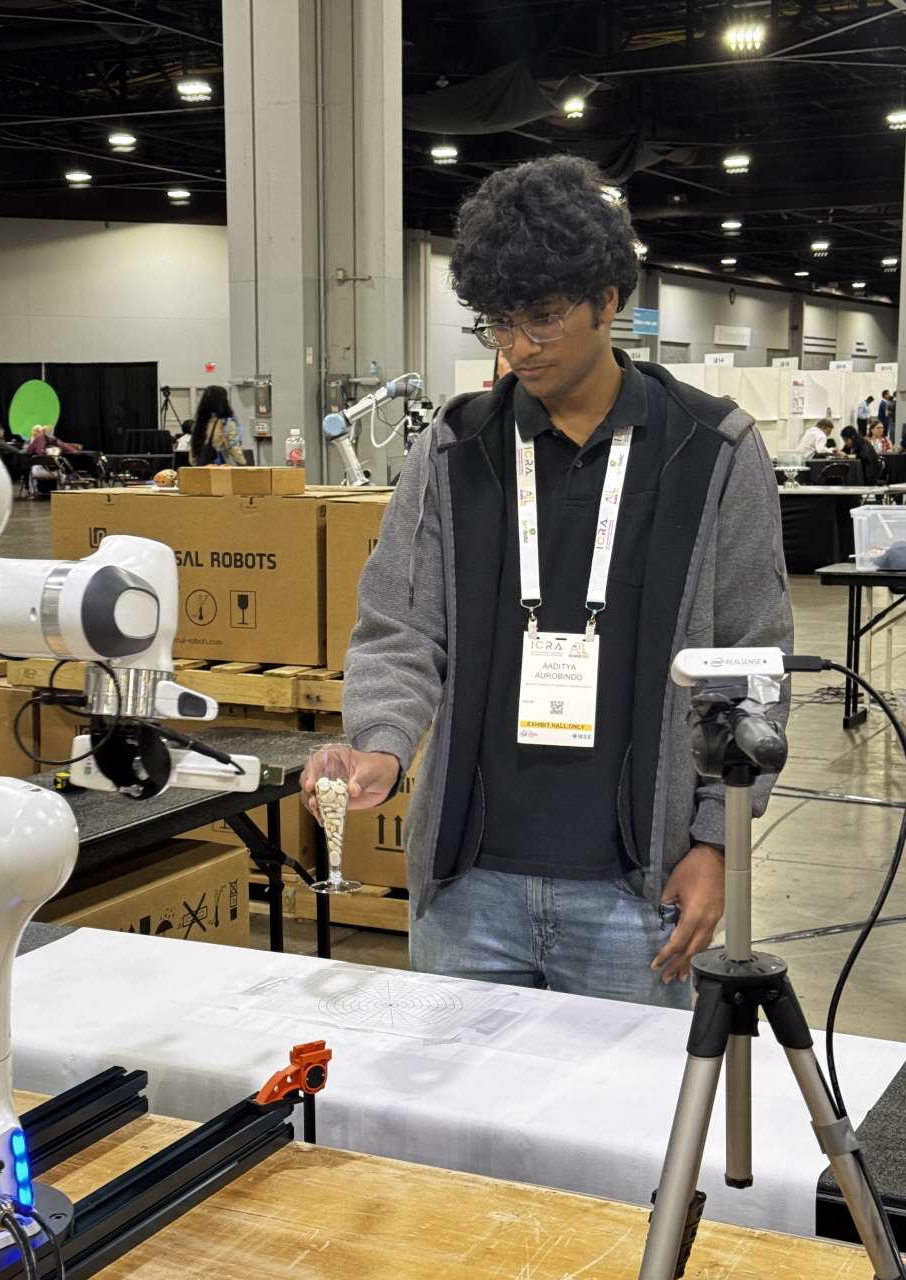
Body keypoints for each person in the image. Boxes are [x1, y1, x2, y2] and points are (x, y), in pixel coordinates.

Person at [302, 154, 792, 1008]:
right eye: (499, 323)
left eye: (543, 318)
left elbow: (753, 660)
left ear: (610, 300)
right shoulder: (454, 450)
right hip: (467, 893)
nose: (519, 347)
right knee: (454, 1144)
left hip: (637, 899)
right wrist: (380, 741)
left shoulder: (712, 450)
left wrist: (717, 841)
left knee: (629, 1138)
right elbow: (400, 628)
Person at [189, 387, 246, 466]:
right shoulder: (226, 423)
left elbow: (193, 453)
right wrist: (242, 463)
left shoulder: (198, 424)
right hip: (221, 469)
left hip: (201, 469)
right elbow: (233, 447)